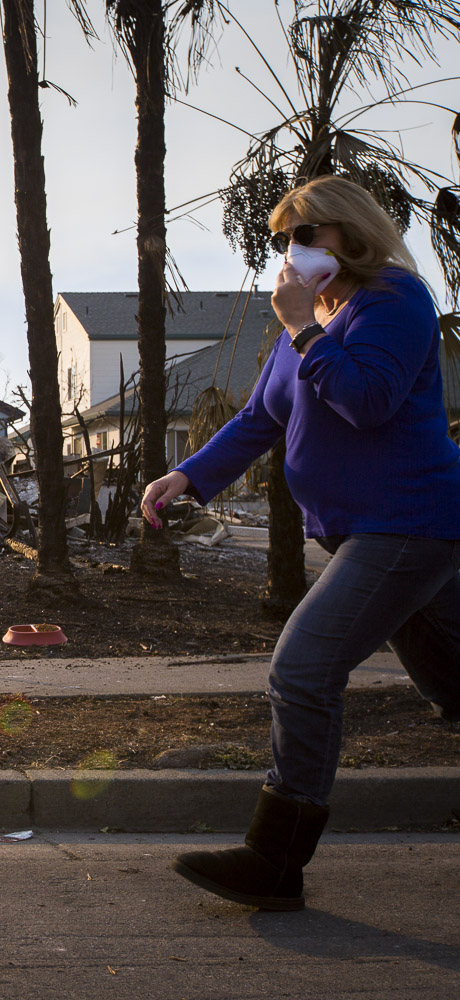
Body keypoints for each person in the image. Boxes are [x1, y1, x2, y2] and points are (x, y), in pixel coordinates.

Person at [140, 175, 460, 912]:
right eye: (286, 237)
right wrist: (188, 476)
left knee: (303, 669)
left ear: (350, 233)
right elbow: (260, 417)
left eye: (307, 234)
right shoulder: (308, 317)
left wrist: (304, 331)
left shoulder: (395, 301)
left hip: (406, 525)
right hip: (365, 533)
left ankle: (274, 860)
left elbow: (369, 400)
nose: (293, 249)